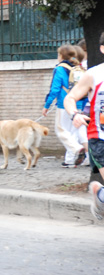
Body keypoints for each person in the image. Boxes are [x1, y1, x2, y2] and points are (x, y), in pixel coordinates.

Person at [64, 31, 104, 221]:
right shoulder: (94, 74)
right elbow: (70, 98)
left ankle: (100, 196)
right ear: (103, 49)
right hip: (100, 138)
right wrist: (74, 114)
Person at [43, 44, 86, 167]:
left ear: (61, 56)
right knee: (73, 132)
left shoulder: (60, 69)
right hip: (79, 104)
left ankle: (77, 149)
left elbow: (54, 89)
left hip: (64, 104)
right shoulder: (79, 68)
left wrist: (46, 105)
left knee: (61, 130)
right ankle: (70, 161)